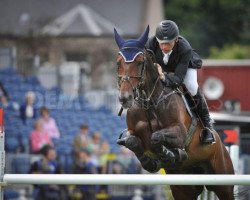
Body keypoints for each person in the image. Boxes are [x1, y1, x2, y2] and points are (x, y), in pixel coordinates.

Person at [146, 20, 215, 144]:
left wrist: (162, 76)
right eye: (161, 43)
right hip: (162, 66)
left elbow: (177, 79)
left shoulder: (185, 48)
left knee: (192, 87)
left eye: (168, 43)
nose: (164, 47)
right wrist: (155, 66)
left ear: (176, 39)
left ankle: (207, 125)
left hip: (184, 66)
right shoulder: (151, 43)